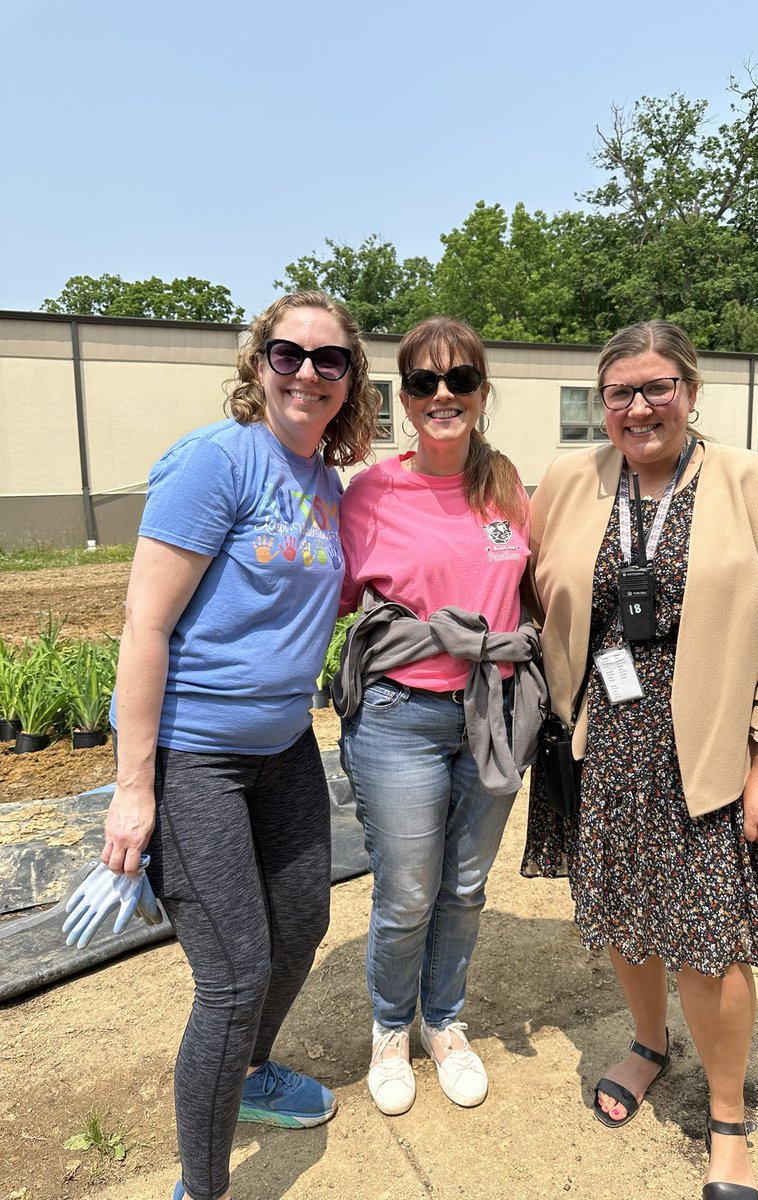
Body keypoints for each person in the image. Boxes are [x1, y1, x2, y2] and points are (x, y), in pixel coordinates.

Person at [521, 320, 758, 1200]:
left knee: (710, 945)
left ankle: (727, 1120)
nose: (638, 406)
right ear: (601, 404)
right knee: (624, 915)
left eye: (657, 387)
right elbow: (535, 593)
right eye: (619, 392)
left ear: (692, 393)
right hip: (605, 742)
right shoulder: (573, 482)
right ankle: (649, 1044)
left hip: (713, 750)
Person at [102, 291, 380, 1200]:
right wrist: (132, 787)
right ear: (256, 362)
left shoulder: (326, 486)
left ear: (349, 380)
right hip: (196, 758)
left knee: (303, 921)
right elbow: (144, 627)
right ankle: (202, 1189)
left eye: (328, 359)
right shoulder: (217, 463)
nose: (306, 372)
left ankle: (253, 1074)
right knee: (232, 975)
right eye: (287, 353)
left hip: (286, 748)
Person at [334, 316, 545, 1117]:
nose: (444, 394)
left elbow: (537, 589)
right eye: (425, 382)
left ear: (483, 394)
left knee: (464, 887)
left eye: (460, 380)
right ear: (404, 397)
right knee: (408, 890)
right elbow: (335, 598)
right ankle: (391, 1027)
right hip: (400, 718)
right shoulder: (372, 492)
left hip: (491, 712)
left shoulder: (507, 487)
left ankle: (444, 1023)